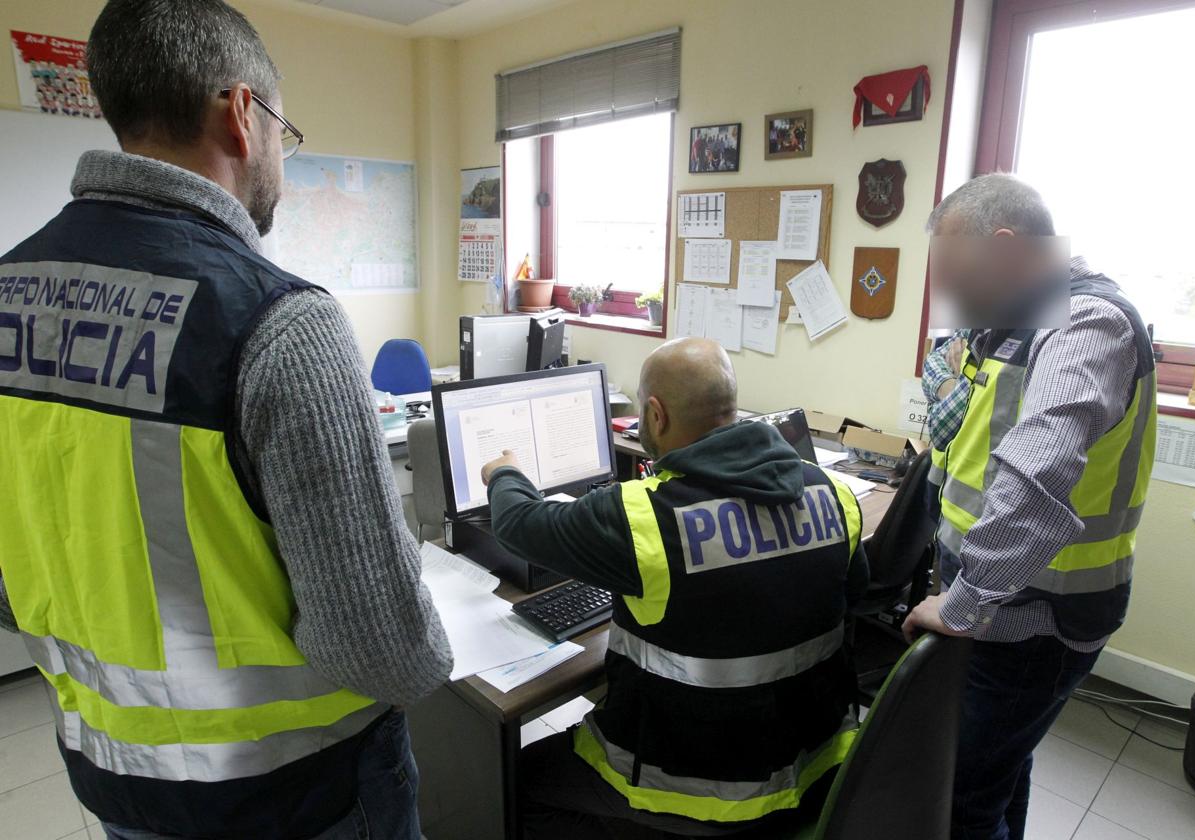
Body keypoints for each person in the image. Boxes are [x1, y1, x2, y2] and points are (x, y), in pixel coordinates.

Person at [0, 1, 452, 838]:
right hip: (301, 795)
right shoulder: (278, 320)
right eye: (285, 125)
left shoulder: (7, 293)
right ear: (242, 114)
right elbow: (383, 653)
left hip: (119, 781)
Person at [480, 338, 868, 839]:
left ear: (655, 416)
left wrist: (504, 472)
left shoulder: (644, 517)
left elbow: (519, 524)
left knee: (515, 782)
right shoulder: (833, 494)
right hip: (815, 769)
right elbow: (848, 599)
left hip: (694, 792)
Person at [903, 174, 1156, 840]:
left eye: (957, 277)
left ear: (1007, 248)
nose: (952, 299)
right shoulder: (1012, 322)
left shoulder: (1086, 323)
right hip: (1002, 612)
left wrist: (962, 602)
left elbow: (1037, 474)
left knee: (960, 798)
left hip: (1033, 620)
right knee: (997, 776)